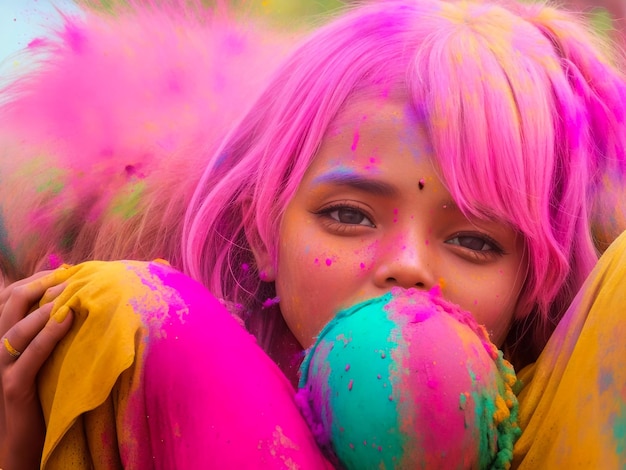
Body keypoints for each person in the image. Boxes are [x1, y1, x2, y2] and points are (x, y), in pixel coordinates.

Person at [0, 0, 625, 468]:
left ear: (530, 280)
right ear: (264, 232)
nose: (406, 266)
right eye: (349, 215)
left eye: (475, 241)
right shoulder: (157, 352)